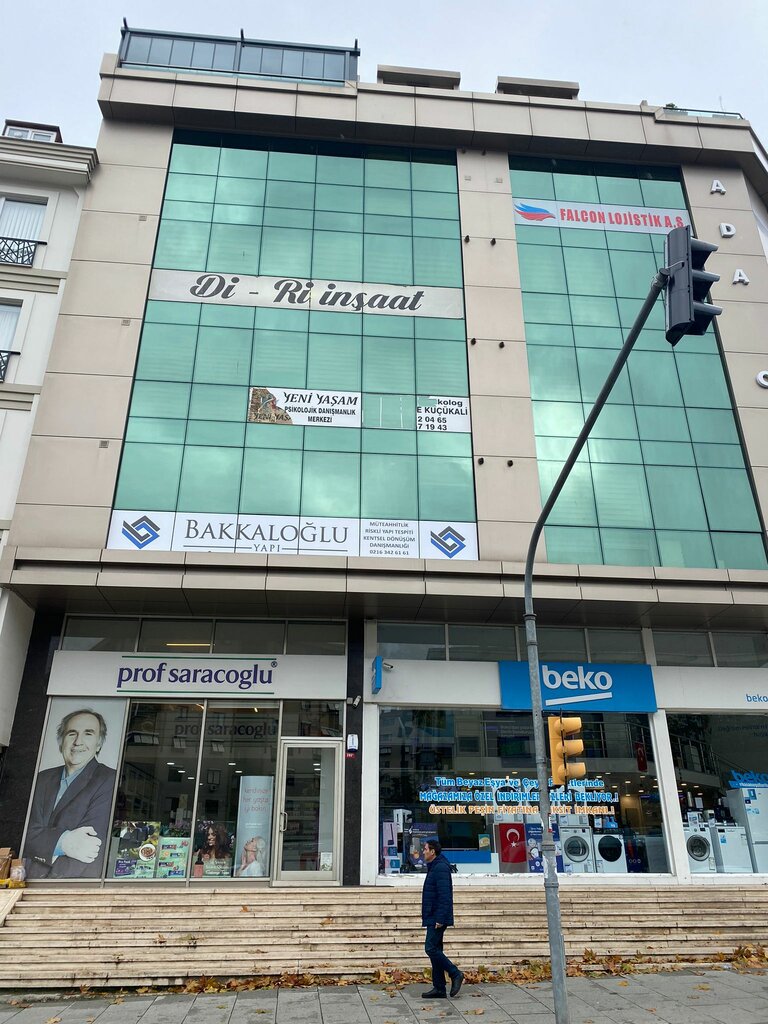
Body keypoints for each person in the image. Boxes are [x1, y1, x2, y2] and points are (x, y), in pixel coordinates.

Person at [24, 709, 116, 879]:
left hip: (66, 881)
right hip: (28, 878)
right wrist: (63, 842)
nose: (78, 742)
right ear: (61, 742)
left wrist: (42, 846)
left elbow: (90, 847)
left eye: (88, 734)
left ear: (98, 744)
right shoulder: (42, 778)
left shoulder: (110, 779)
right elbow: (23, 832)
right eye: (71, 733)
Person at [420, 838, 463, 999]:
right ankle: (439, 987)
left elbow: (445, 895)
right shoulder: (435, 866)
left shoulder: (440, 868)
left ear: (433, 852)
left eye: (425, 849)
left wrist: (440, 918)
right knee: (436, 949)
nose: (423, 852)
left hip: (437, 916)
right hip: (433, 914)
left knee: (430, 948)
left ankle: (455, 973)